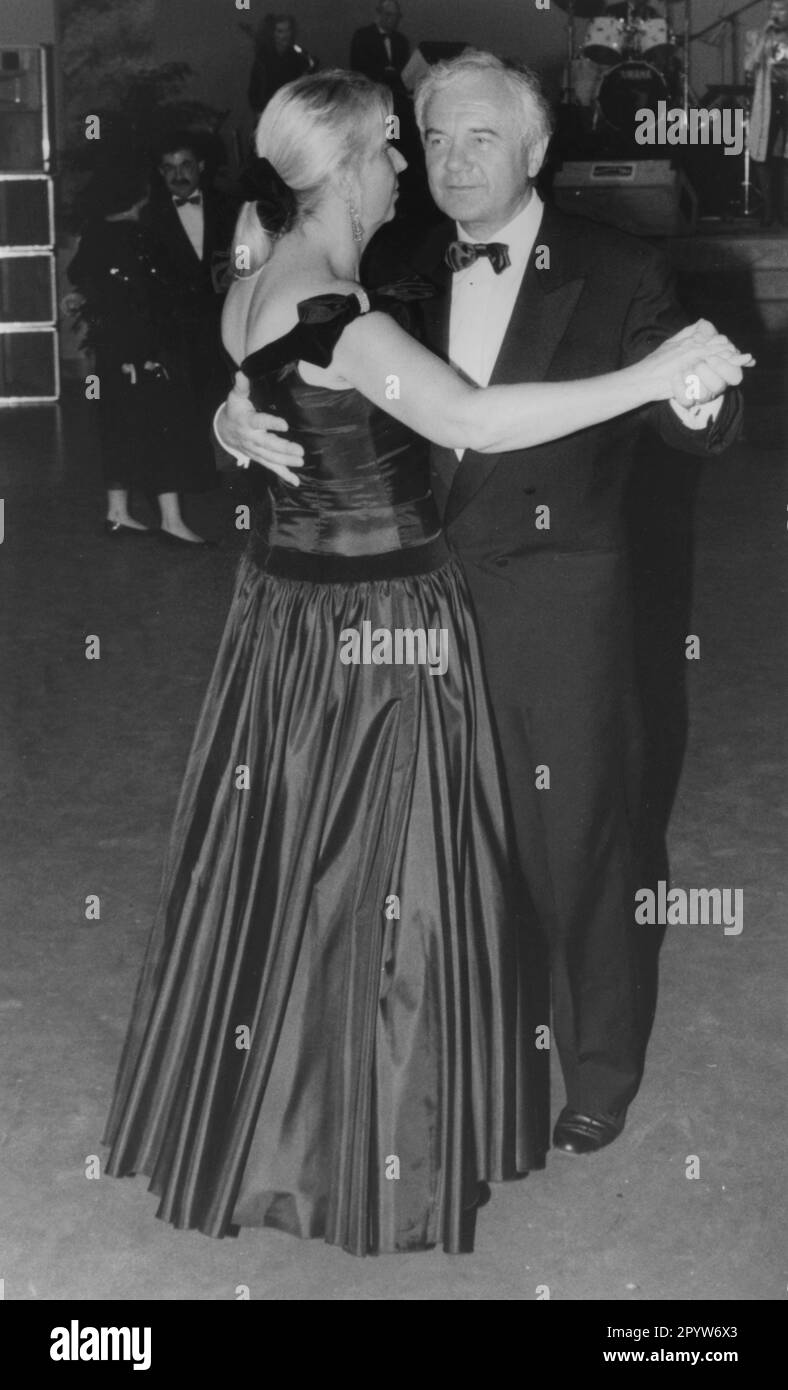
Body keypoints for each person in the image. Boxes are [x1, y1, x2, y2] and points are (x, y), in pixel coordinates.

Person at [103, 71, 748, 1256]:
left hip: (534, 610)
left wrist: (691, 391)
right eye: (424, 140)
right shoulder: (377, 272)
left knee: (569, 848)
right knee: (420, 868)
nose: (440, 161)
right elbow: (419, 406)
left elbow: (699, 421)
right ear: (365, 162)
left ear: (535, 147)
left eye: (475, 138)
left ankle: (591, 1073)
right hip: (391, 623)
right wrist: (225, 417)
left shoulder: (616, 264)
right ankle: (414, 1095)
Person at [67, 162, 217, 543]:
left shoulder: (95, 235)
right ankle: (171, 521)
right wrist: (152, 352)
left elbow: (83, 281)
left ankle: (117, 513)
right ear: (142, 197)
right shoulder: (141, 238)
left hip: (109, 352)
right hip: (144, 351)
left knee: (116, 427)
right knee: (163, 429)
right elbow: (152, 302)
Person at [145, 131, 239, 502]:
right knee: (182, 401)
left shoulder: (229, 207)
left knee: (224, 393)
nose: (178, 175)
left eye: (185, 165)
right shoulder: (150, 216)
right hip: (176, 326)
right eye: (168, 169)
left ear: (200, 166)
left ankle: (231, 474)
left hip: (223, 319)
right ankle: (195, 479)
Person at [745, 0, 788, 227]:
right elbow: (749, 65)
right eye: (772, 9)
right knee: (761, 155)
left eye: (781, 9)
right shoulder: (756, 36)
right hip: (768, 100)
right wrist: (764, 35)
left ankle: (784, 211)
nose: (776, 13)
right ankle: (769, 212)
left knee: (785, 158)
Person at [247, 13, 318, 117]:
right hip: (270, 113)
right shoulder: (263, 60)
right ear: (272, 34)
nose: (285, 36)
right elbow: (254, 93)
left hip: (291, 111)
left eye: (288, 30)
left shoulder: (297, 56)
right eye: (280, 31)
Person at [350, 1, 410, 92]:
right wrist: (384, 73)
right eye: (388, 14)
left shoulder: (402, 41)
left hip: (396, 96)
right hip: (369, 92)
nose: (393, 18)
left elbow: (406, 70)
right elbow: (357, 69)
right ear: (379, 13)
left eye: (396, 15)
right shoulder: (362, 36)